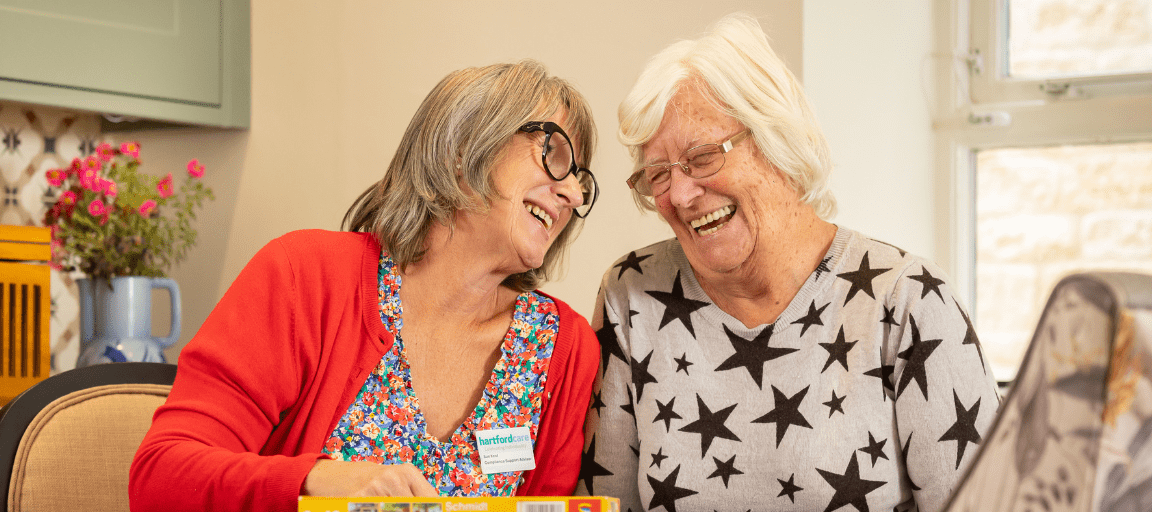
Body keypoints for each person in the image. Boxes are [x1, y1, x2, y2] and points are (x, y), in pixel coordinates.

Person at [130, 60, 602, 511]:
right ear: (463, 148)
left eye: (581, 180)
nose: (574, 193)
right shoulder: (305, 278)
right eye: (553, 155)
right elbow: (160, 478)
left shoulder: (563, 346)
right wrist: (318, 482)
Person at [578, 14, 1000, 512]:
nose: (681, 193)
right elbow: (604, 505)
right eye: (658, 174)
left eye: (703, 156)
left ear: (776, 139)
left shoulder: (910, 302)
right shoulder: (633, 294)